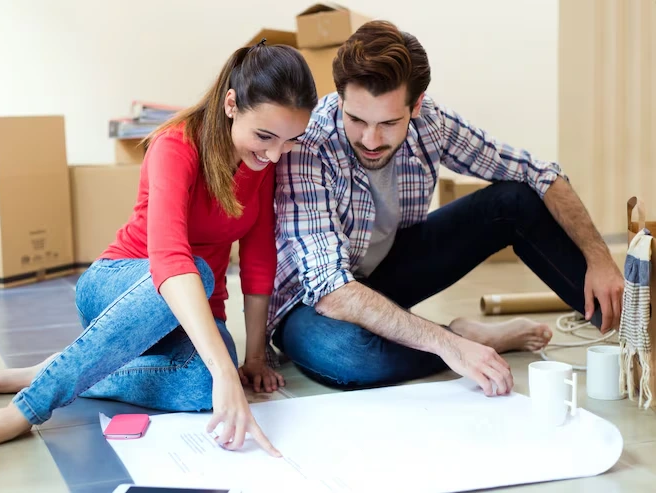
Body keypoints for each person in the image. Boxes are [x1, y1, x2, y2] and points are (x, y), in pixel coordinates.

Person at [0, 40, 318, 456]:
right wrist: (224, 369)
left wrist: (254, 358)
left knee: (204, 384)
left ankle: (63, 366)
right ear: (232, 104)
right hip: (120, 285)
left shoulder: (262, 161)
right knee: (196, 279)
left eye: (290, 140)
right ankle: (25, 408)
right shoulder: (175, 144)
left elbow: (257, 260)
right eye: (265, 136)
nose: (274, 154)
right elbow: (169, 261)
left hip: (190, 309)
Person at [266, 21, 624, 396]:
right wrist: (448, 344)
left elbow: (537, 172)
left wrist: (599, 257)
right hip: (310, 302)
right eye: (356, 120)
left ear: (415, 105)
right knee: (350, 356)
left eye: (389, 123)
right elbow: (331, 289)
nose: (370, 140)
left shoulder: (431, 121)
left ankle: (629, 328)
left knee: (514, 200)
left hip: (383, 276)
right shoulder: (309, 144)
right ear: (340, 100)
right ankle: (463, 338)